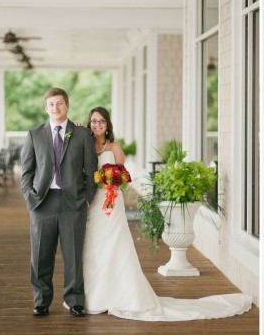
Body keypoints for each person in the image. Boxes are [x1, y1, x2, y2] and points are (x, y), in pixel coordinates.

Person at [81, 106, 253, 321]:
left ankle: (119, 294)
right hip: (94, 202)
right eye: (94, 121)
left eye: (101, 121)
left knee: (113, 243)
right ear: (89, 123)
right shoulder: (85, 143)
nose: (97, 124)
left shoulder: (114, 147)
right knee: (93, 244)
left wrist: (113, 181)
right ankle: (93, 294)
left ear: (107, 125)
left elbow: (123, 175)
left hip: (111, 203)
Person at [20, 88, 98, 317]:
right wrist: (30, 197)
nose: (55, 108)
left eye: (59, 104)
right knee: (41, 255)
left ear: (67, 105)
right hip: (42, 202)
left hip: (72, 203)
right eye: (51, 104)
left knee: (73, 255)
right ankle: (41, 301)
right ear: (46, 108)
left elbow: (91, 171)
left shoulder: (82, 135)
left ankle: (75, 300)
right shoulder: (34, 135)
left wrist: (86, 198)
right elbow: (26, 171)